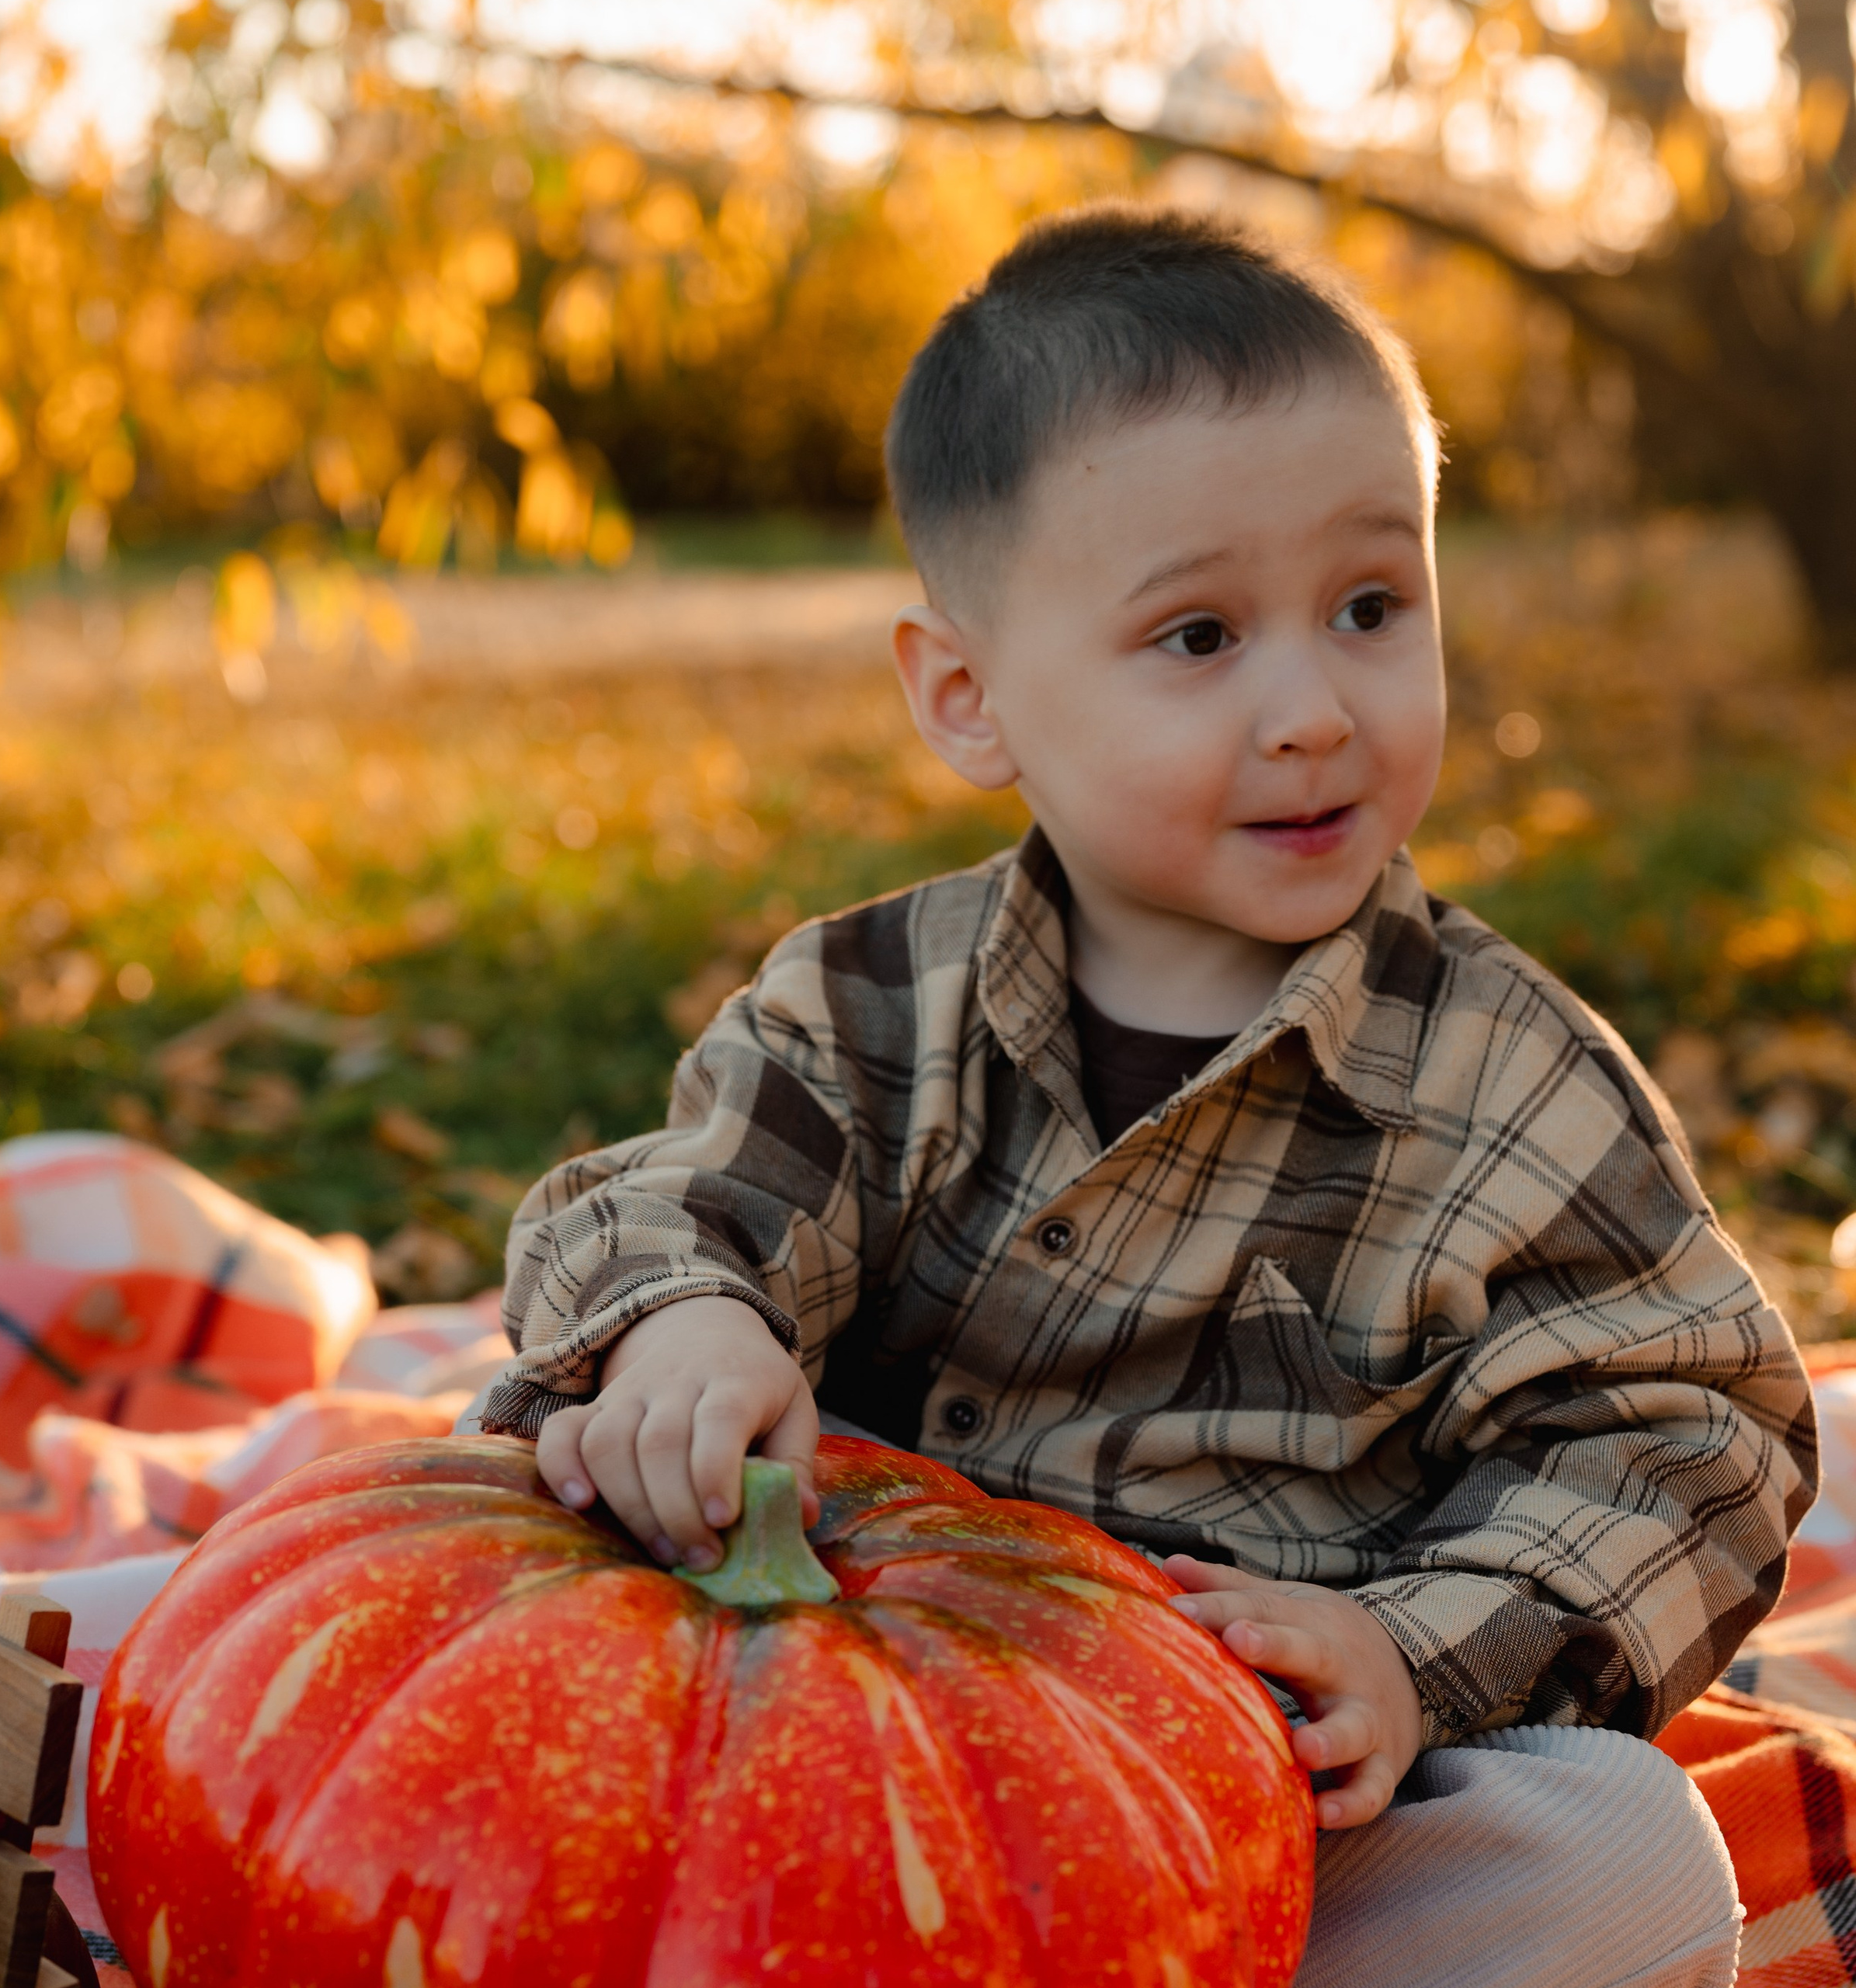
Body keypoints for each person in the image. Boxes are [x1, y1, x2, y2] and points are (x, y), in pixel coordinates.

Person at [481, 207, 1813, 1988]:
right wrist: (685, 1329)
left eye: (1368, 605)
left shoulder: (1513, 1088)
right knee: (295, 1602)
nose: (1311, 708)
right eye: (1197, 636)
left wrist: (1407, 1652)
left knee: (1619, 1857)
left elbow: (1684, 1439)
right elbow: (669, 1194)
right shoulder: (866, 1008)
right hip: (821, 1743)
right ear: (968, 696)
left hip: (1240, 1796)